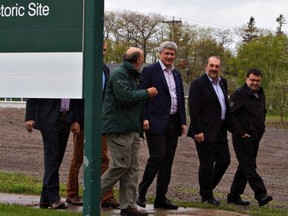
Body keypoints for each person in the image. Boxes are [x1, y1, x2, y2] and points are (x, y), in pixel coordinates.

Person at [101, 47, 158, 216]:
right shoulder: (120, 74)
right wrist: (146, 93)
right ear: (137, 59)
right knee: (121, 165)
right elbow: (125, 97)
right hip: (119, 128)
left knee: (132, 168)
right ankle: (93, 194)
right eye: (142, 57)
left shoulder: (132, 74)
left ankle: (128, 205)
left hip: (132, 129)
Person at [66, 41, 119, 208]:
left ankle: (105, 196)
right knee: (78, 158)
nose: (102, 52)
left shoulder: (105, 69)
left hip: (101, 123)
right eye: (99, 49)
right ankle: (72, 194)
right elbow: (75, 95)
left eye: (104, 50)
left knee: (103, 158)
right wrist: (74, 119)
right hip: (82, 121)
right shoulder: (82, 67)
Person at [136, 41, 186, 210]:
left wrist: (183, 121)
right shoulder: (150, 71)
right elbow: (142, 95)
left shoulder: (177, 74)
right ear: (160, 54)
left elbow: (179, 97)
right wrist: (144, 118)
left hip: (173, 122)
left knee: (167, 162)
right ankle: (141, 193)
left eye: (172, 54)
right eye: (167, 53)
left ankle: (161, 198)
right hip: (155, 121)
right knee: (157, 156)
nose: (169, 57)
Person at [187, 56, 232, 206]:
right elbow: (194, 108)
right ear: (206, 66)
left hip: (220, 130)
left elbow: (224, 105)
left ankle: (207, 188)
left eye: (217, 66)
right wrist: (197, 131)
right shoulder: (198, 84)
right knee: (207, 163)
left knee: (224, 160)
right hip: (204, 131)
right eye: (211, 66)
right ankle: (207, 195)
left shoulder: (223, 82)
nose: (214, 69)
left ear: (220, 68)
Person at [227, 69, 273, 206]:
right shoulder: (238, 94)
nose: (255, 83)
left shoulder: (260, 93)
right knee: (249, 166)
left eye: (257, 80)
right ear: (246, 78)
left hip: (255, 136)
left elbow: (261, 111)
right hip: (242, 137)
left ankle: (233, 196)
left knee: (244, 166)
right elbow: (231, 115)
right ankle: (261, 194)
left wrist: (261, 129)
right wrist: (240, 132)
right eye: (252, 80)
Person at [25, 99, 71, 209]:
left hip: (66, 117)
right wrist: (29, 117)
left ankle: (45, 199)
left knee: (57, 159)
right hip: (48, 117)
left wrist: (74, 119)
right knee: (52, 158)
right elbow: (33, 93)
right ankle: (54, 198)